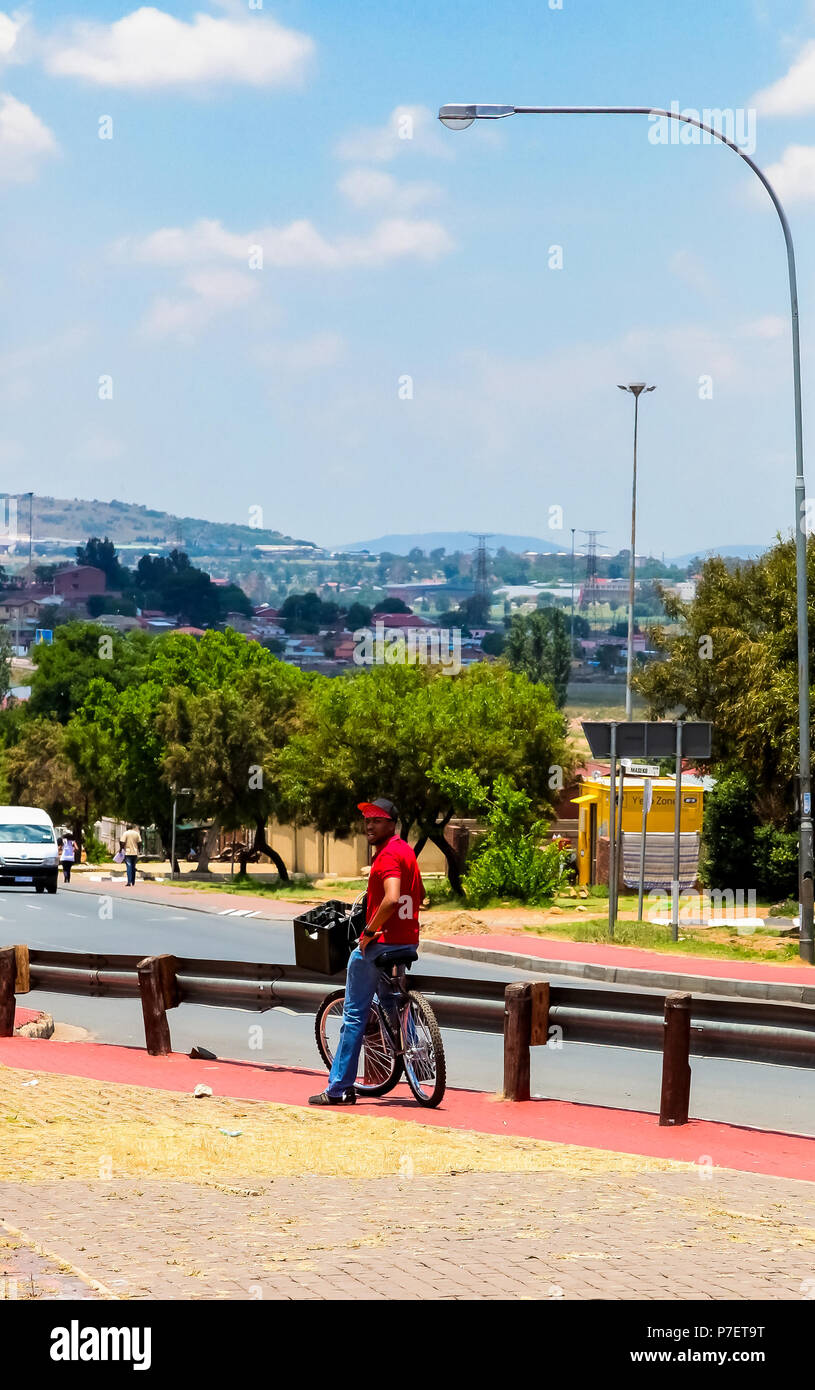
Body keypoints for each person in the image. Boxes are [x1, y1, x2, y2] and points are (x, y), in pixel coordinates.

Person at [309, 797, 424, 1106]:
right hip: (407, 942)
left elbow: (392, 897)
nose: (369, 826)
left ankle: (339, 1089)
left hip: (380, 944)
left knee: (354, 1014)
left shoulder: (387, 856)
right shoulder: (407, 852)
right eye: (367, 820)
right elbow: (419, 894)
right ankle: (414, 1054)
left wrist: (371, 930)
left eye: (376, 820)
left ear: (391, 824)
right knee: (391, 1001)